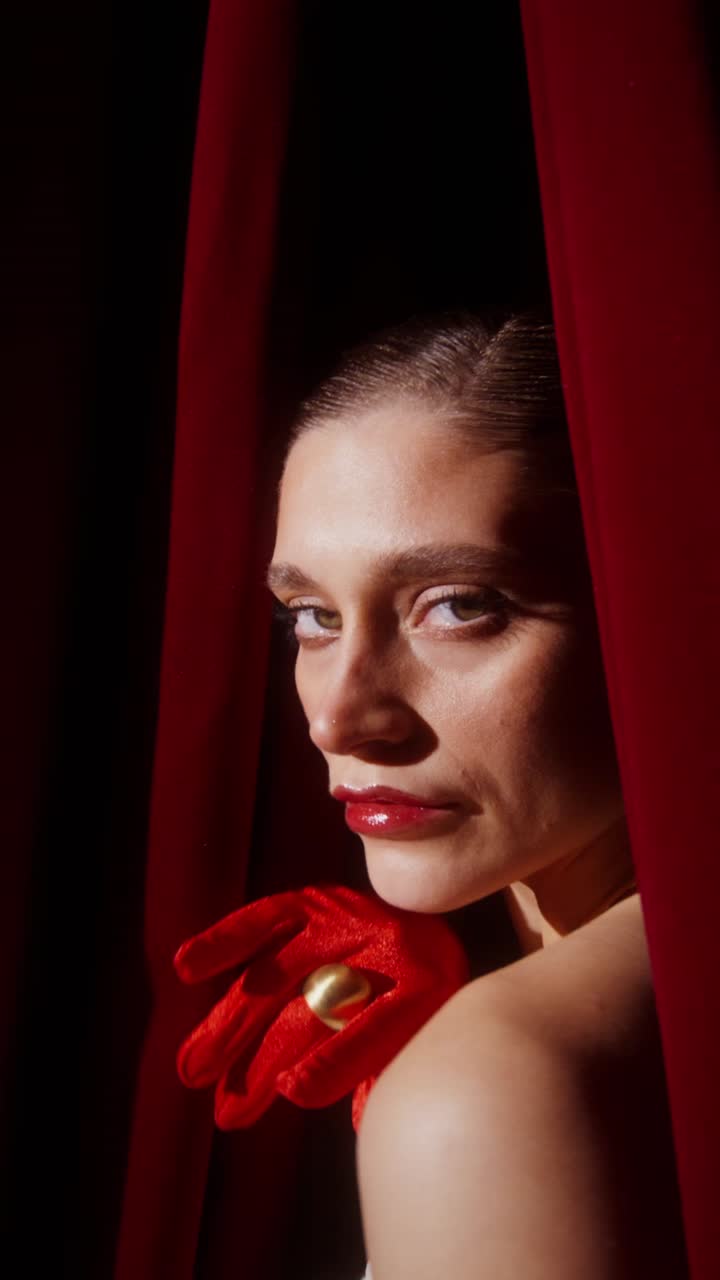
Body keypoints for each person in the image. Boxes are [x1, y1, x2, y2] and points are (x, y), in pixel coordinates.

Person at [266, 311, 689, 1278]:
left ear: (654, 605)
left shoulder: (503, 1082)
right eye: (313, 616)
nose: (341, 718)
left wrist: (478, 1065)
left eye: (459, 605)